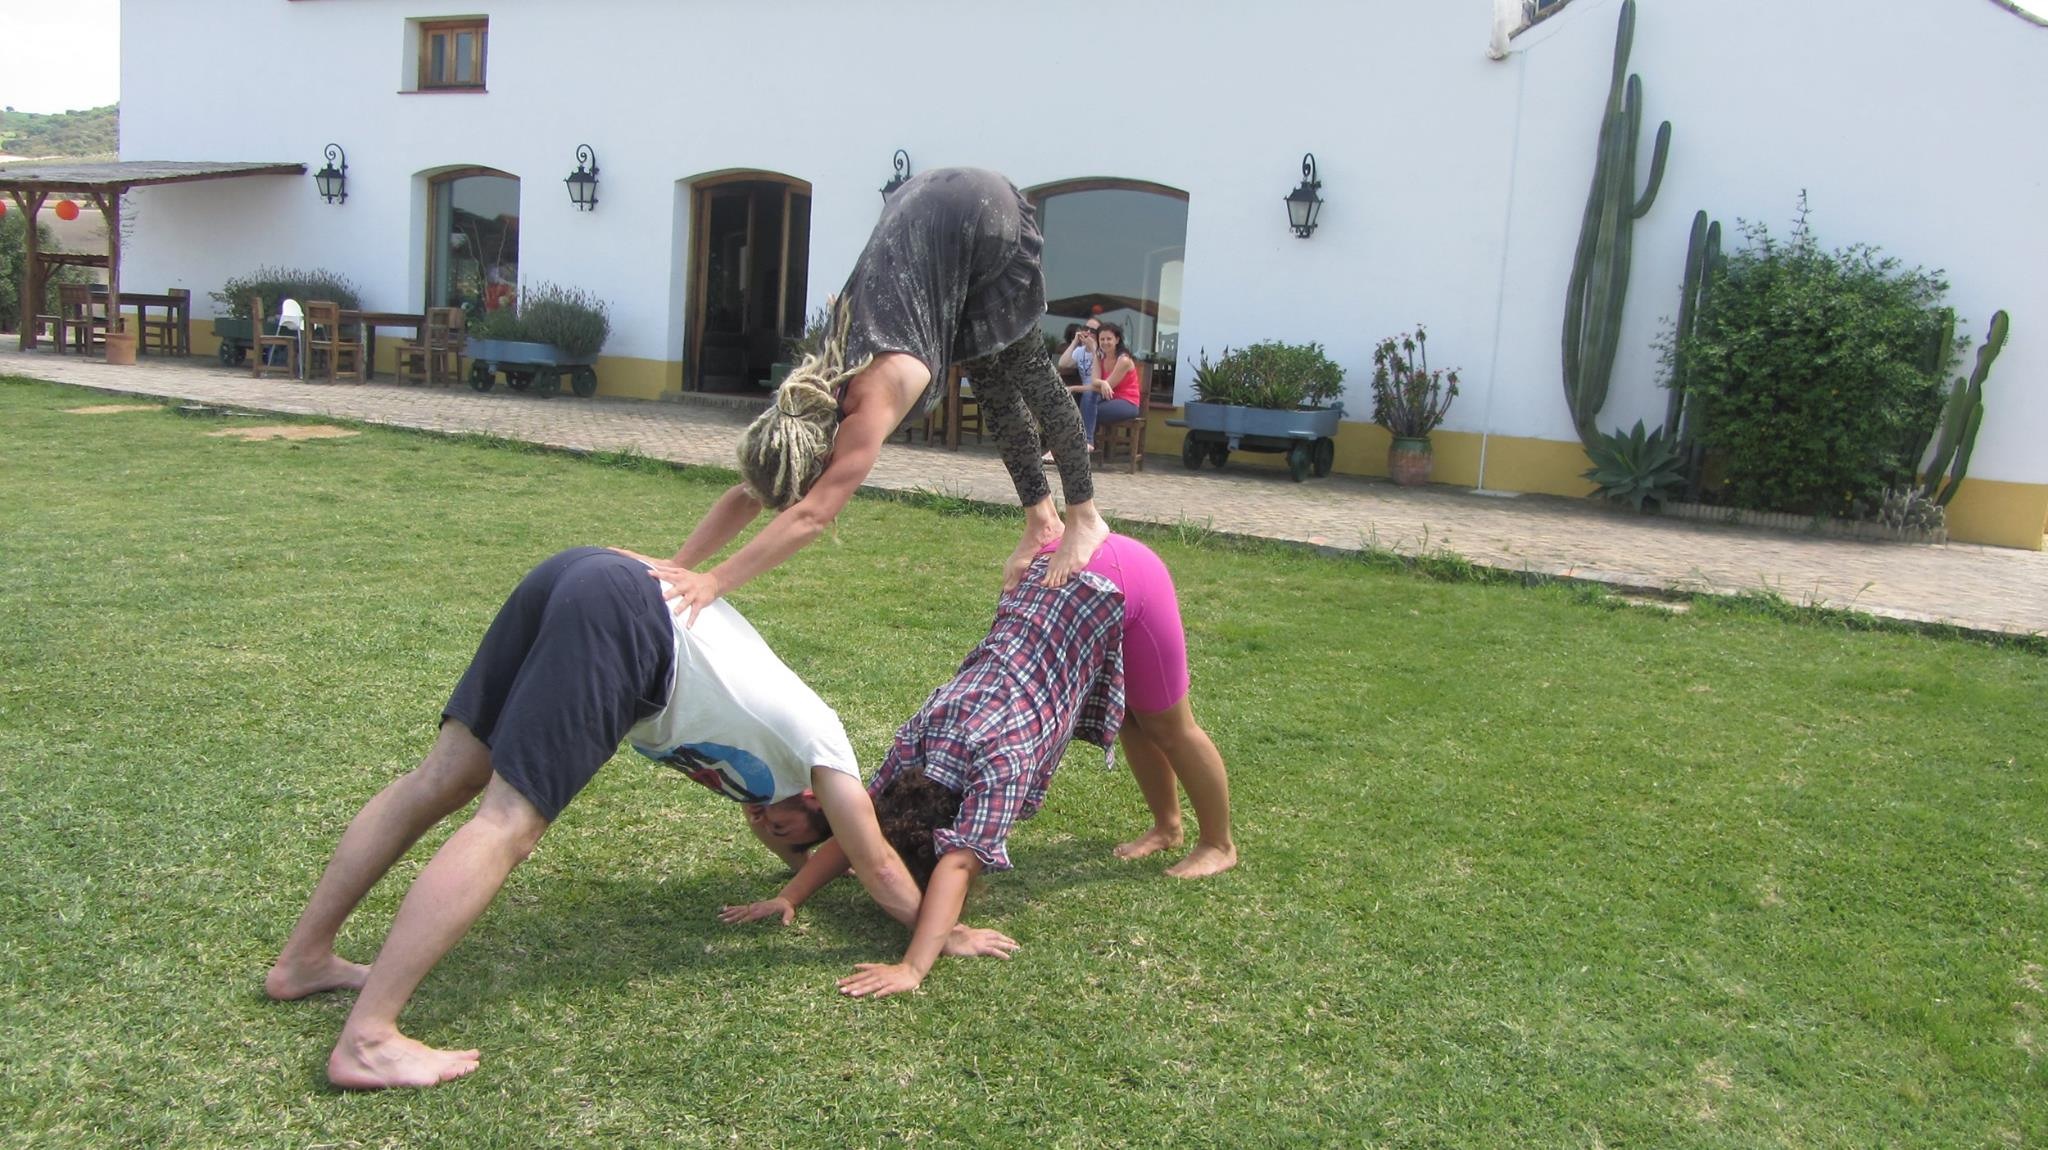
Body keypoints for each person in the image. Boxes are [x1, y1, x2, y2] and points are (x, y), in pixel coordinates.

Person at [261, 547, 964, 1089]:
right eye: (780, 827)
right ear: (815, 806)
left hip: (587, 576)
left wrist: (792, 876)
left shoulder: (772, 770)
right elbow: (873, 861)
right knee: (506, 823)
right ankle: (368, 1039)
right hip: (621, 610)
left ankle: (304, 962)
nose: (762, 825)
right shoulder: (826, 753)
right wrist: (943, 931)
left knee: (443, 778)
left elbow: (804, 852)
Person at [723, 534, 1236, 1000]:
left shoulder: (998, 764)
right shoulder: (917, 739)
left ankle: (1219, 845)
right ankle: (1168, 827)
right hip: (1054, 570)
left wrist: (912, 967)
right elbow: (863, 828)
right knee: (1134, 718)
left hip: (1119, 578)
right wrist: (789, 896)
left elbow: (957, 862)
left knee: (1170, 726)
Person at [648, 168, 1112, 622]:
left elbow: (812, 516)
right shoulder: (808, 398)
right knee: (993, 387)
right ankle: (1041, 520)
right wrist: (678, 564)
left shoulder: (872, 399)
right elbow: (756, 490)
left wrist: (714, 582)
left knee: (1031, 376)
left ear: (822, 458)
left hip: (987, 218)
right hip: (933, 213)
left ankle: (1084, 517)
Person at [1080, 321, 1144, 450]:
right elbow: (1095, 381)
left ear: (1117, 340)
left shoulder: (1124, 360)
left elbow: (1107, 387)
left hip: (1127, 403)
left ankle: (1087, 442)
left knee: (1085, 411)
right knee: (1086, 401)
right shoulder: (1100, 356)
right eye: (1102, 339)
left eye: (1109, 339)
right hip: (1108, 399)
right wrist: (1102, 382)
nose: (1105, 342)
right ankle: (1086, 444)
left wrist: (1073, 388)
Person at [1056, 320, 1100, 452]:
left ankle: (1087, 441)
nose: (1088, 332)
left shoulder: (1101, 351)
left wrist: (1093, 349)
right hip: (1085, 391)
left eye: (1093, 331)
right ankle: (1060, 445)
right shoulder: (1080, 351)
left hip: (1098, 391)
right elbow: (1062, 363)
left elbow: (1099, 381)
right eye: (1086, 328)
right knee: (1063, 398)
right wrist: (1075, 342)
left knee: (1088, 395)